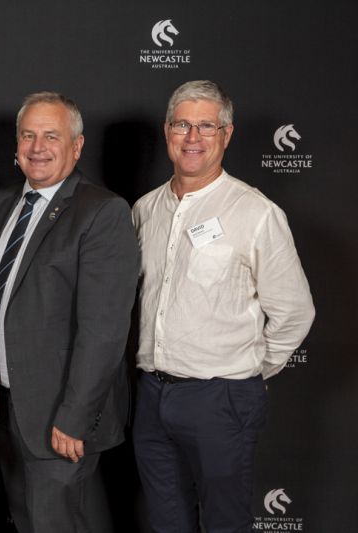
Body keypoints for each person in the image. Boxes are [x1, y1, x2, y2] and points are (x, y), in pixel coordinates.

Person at [131, 80, 316, 532]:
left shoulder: (255, 213)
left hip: (220, 398)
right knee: (165, 521)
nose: (192, 137)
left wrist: (252, 372)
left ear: (226, 134)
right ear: (167, 131)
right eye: (182, 125)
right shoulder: (145, 209)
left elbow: (295, 311)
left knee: (224, 523)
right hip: (151, 395)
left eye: (206, 126)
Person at [0, 92, 140, 533]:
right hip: (5, 405)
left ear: (77, 145)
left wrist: (74, 417)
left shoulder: (102, 211)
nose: (37, 147)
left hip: (58, 416)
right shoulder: (3, 203)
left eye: (51, 136)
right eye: (28, 135)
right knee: (24, 519)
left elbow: (104, 331)